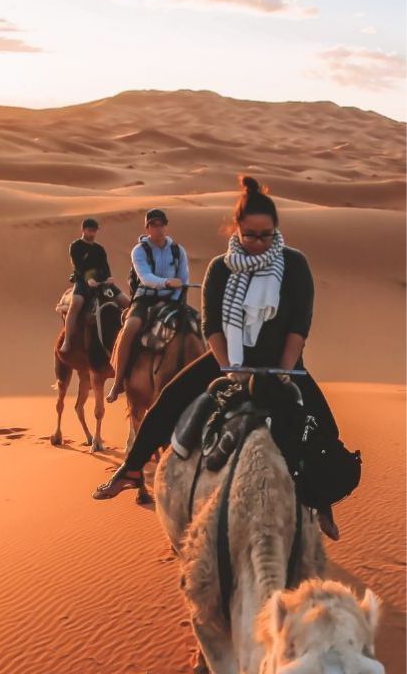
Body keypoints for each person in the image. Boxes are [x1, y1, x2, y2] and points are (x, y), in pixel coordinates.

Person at [93, 176, 341, 541]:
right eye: (250, 235)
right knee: (168, 401)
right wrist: (229, 369)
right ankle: (131, 469)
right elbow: (212, 325)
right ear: (235, 228)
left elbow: (299, 324)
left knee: (325, 428)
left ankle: (321, 502)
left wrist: (287, 370)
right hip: (228, 360)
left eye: (265, 235)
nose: (258, 243)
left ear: (276, 230)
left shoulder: (294, 265)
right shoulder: (220, 268)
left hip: (284, 363)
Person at [106, 209, 189, 402]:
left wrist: (176, 296)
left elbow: (183, 279)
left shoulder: (178, 250)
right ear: (147, 228)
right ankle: (118, 382)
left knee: (196, 325)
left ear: (166, 226)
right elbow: (145, 277)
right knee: (130, 328)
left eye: (161, 224)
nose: (158, 229)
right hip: (145, 298)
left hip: (172, 299)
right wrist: (167, 282)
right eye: (154, 225)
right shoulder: (139, 251)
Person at [61, 218, 129, 354]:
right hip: (82, 281)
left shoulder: (99, 249)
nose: (92, 233)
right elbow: (78, 266)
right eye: (90, 230)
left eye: (94, 231)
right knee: (76, 304)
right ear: (83, 230)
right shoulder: (75, 246)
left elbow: (105, 266)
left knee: (126, 302)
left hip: (101, 283)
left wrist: (109, 277)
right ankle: (67, 341)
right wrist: (87, 280)